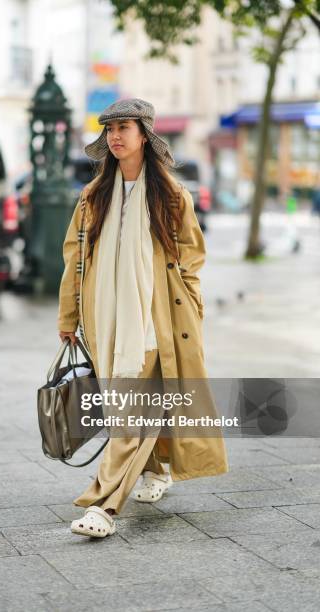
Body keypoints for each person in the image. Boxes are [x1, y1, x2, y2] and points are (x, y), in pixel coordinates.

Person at [58, 98, 229, 538]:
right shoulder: (93, 195)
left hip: (155, 319)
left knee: (132, 409)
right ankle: (158, 468)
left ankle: (103, 506)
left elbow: (192, 255)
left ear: (144, 136)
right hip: (104, 318)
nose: (115, 136)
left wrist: (189, 303)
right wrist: (69, 314)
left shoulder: (171, 194)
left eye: (124, 127)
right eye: (109, 129)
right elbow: (75, 259)